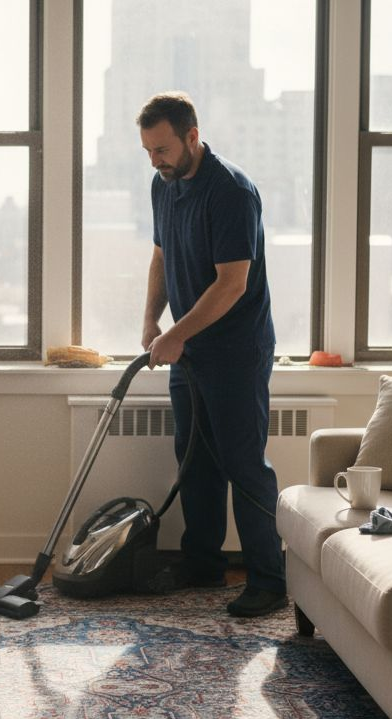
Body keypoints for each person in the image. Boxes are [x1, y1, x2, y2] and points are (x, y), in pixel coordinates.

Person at [135, 92, 286, 618]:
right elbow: (161, 256)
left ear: (192, 137)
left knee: (244, 463)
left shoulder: (231, 192)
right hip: (190, 350)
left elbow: (231, 284)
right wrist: (151, 320)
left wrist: (176, 335)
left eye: (162, 149)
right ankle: (203, 564)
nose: (154, 161)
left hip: (236, 351)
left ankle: (269, 580)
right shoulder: (164, 184)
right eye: (148, 151)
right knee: (195, 460)